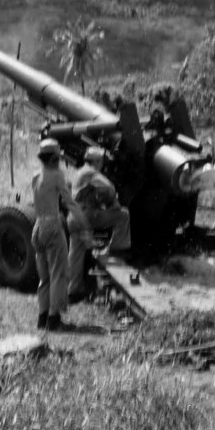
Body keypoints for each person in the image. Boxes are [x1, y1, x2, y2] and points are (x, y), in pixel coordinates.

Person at [31, 139, 88, 331]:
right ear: (55, 158)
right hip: (52, 226)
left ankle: (42, 318)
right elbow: (69, 203)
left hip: (37, 227)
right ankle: (54, 320)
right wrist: (84, 224)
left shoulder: (35, 176)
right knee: (59, 273)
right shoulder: (57, 175)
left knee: (44, 276)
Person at [67, 146, 132, 303]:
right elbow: (109, 187)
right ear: (96, 161)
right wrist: (112, 202)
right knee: (123, 215)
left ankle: (73, 289)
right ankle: (115, 250)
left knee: (75, 254)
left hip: (73, 218)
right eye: (101, 161)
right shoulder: (91, 172)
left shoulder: (79, 172)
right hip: (87, 216)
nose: (102, 164)